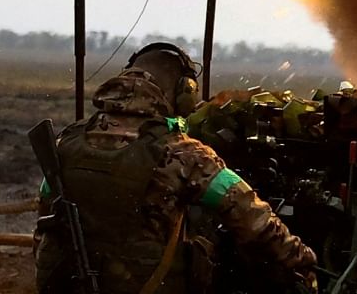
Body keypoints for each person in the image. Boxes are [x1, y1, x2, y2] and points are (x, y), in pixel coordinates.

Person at [34, 42, 317, 294]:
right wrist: (303, 259)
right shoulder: (183, 153)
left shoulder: (65, 142)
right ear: (185, 94)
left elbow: (45, 217)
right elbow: (255, 221)